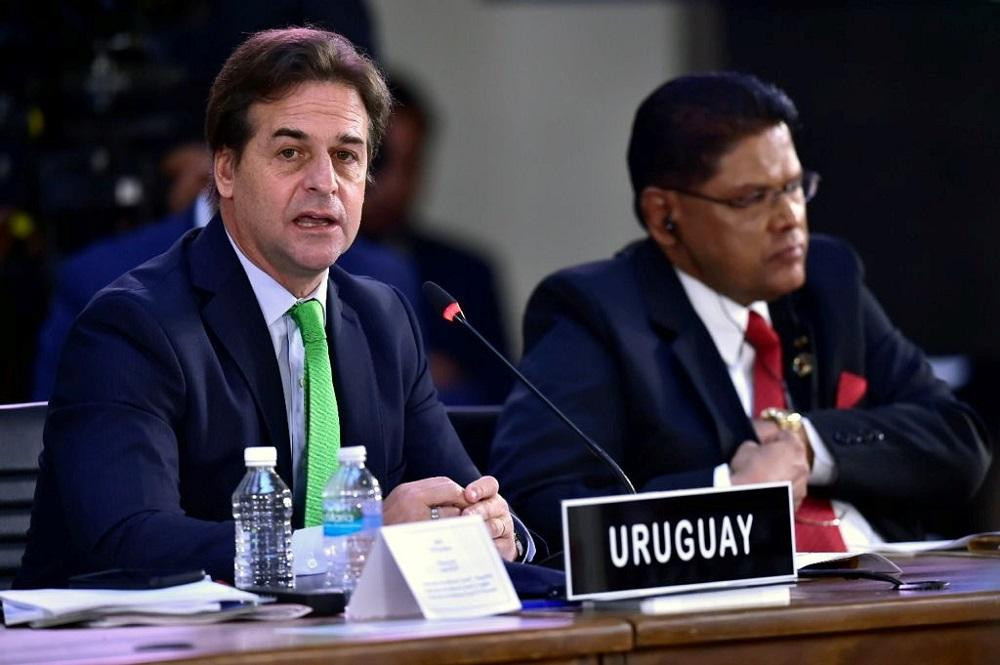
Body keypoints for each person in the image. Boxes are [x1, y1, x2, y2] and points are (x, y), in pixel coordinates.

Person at [17, 27, 529, 589]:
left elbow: (453, 494)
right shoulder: (134, 327)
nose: (323, 183)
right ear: (226, 170)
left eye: (346, 156)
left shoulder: (383, 319)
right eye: (291, 153)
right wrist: (359, 546)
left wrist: (495, 530)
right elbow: (133, 542)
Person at [489, 72, 991, 557]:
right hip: (722, 624)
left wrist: (808, 443)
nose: (789, 218)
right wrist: (730, 494)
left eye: (795, 187)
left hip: (890, 592)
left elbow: (959, 442)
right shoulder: (596, 314)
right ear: (665, 216)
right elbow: (541, 511)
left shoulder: (828, 280)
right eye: (752, 198)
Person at [361, 78, 511, 404]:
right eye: (381, 161)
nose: (395, 184)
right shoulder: (304, 262)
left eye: (410, 163)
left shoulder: (467, 272)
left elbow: (505, 399)